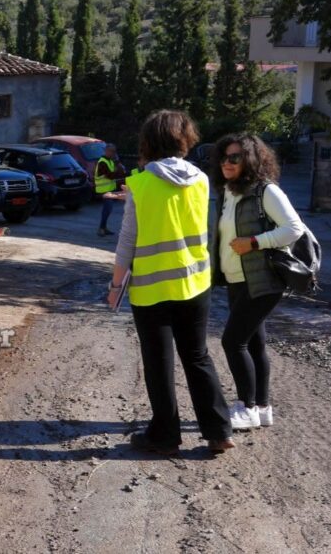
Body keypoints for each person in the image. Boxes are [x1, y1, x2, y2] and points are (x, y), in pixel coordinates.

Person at [109, 110, 235, 455]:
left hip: (151, 289)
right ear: (184, 139)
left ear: (149, 141)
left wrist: (115, 286)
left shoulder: (140, 183)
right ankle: (219, 430)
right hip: (195, 283)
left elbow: (127, 240)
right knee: (197, 356)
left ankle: (164, 436)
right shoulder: (201, 179)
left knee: (158, 360)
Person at [209, 133, 305, 430]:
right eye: (224, 156)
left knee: (232, 341)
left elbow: (294, 228)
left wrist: (254, 242)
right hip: (238, 279)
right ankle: (262, 408)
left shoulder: (266, 191)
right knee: (254, 343)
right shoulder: (227, 192)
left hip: (263, 279)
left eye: (235, 157)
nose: (227, 162)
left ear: (250, 160)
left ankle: (246, 407)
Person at [95, 144, 127, 236]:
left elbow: (119, 173)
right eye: (112, 151)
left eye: (114, 151)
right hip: (103, 190)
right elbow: (110, 176)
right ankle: (101, 229)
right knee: (107, 209)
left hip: (109, 189)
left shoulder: (110, 161)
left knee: (107, 209)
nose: (114, 153)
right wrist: (118, 171)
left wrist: (118, 166)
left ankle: (103, 228)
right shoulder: (102, 162)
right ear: (106, 151)